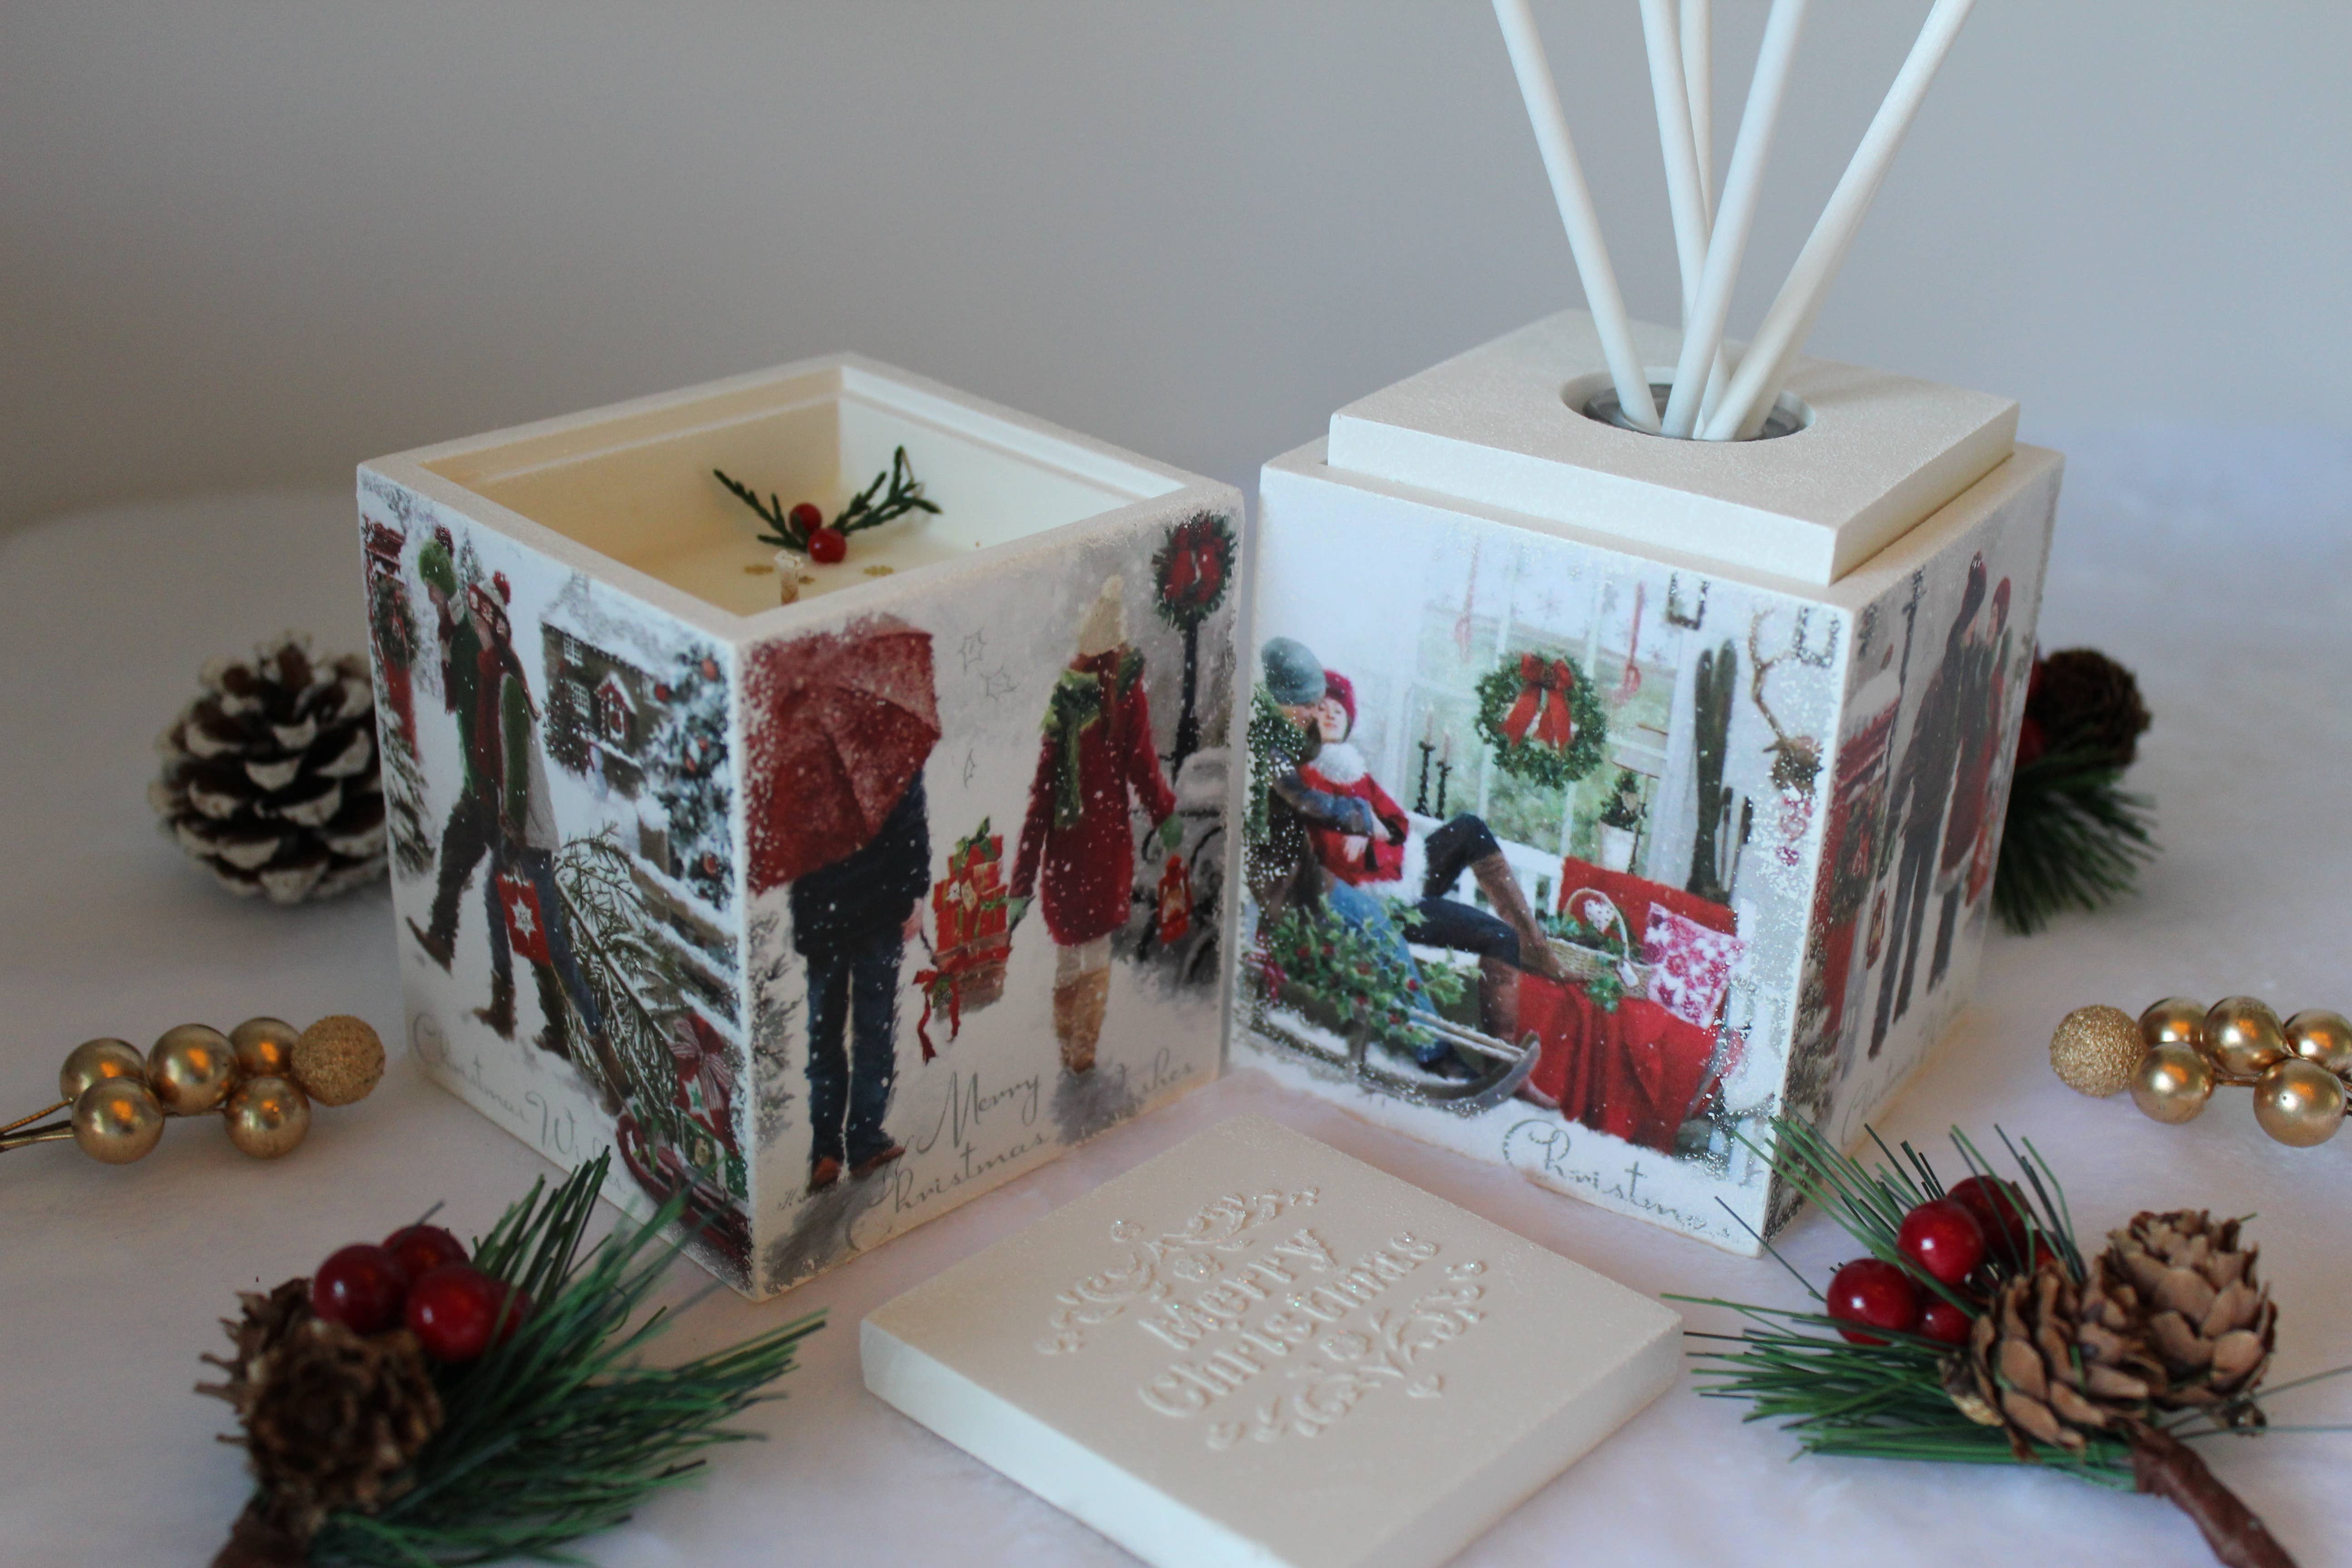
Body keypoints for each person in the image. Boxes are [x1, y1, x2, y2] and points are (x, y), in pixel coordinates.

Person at [1296, 664, 1567, 1046]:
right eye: (1321, 708)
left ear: (1349, 721)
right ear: (1307, 718)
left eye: (1338, 710)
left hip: (1400, 876)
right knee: (1500, 937)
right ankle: (1500, 1055)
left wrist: (1375, 833)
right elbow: (1337, 857)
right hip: (1377, 904)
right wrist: (1373, 834)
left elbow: (1398, 825)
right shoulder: (1304, 776)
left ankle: (1535, 948)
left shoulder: (1355, 773)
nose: (1329, 715)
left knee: (1470, 827)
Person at [1009, 577, 1181, 1074]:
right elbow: (1142, 764)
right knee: (1096, 951)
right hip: (1104, 847)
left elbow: (1041, 799)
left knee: (1069, 953)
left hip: (1065, 852)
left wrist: (1021, 884)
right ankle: (1082, 1050)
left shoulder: (1065, 702)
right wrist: (1164, 814)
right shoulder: (1126, 696)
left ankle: (1069, 1043)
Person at [471, 578, 629, 1112]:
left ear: (495, 626)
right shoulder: (496, 680)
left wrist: (514, 829)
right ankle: (512, 1009)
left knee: (554, 945)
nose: (476, 629)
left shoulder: (508, 688)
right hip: (513, 826)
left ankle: (608, 1061)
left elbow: (517, 767)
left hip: (527, 832)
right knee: (501, 907)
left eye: (480, 621)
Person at [1872, 554, 1985, 1055]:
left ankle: (1900, 1011)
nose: (1972, 636)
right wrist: (1897, 808)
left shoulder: (1962, 687)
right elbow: (1916, 749)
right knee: (1901, 917)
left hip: (1937, 811)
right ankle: (1883, 1020)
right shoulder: (1943, 686)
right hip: (1920, 816)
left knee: (1916, 915)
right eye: (1969, 628)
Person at [793, 769, 927, 1192]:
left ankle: (826, 1149)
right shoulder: (891, 743)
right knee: (874, 1027)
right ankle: (865, 1140)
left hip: (822, 906)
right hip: (876, 905)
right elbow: (909, 820)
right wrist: (913, 894)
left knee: (826, 1029)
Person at [405, 530, 492, 970]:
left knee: (509, 888)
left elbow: (480, 712)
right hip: (479, 781)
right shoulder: (451, 633)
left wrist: (484, 777)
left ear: (443, 583)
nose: (429, 595)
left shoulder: (465, 638)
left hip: (490, 784)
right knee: (456, 852)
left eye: (432, 586)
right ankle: (442, 939)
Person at [1930, 576, 2012, 989]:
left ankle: (1943, 969)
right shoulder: (1974, 662)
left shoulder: (1994, 671)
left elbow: (1993, 728)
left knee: (1961, 864)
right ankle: (1937, 968)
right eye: (1990, 615)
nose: (1991, 624)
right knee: (1949, 853)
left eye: (1997, 617)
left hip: (1978, 780)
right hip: (1960, 777)